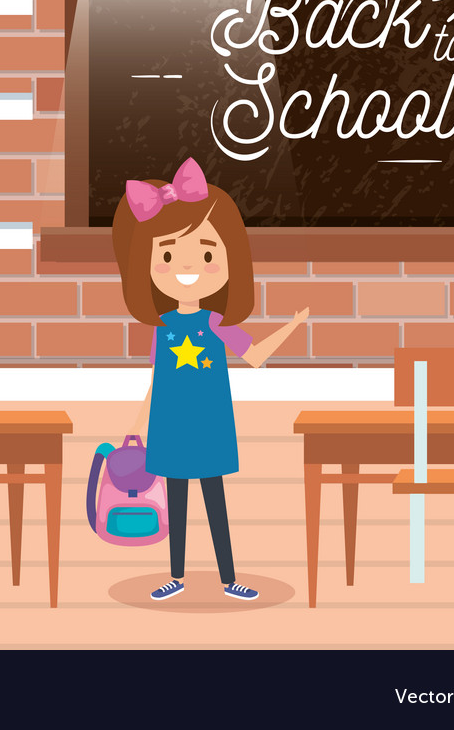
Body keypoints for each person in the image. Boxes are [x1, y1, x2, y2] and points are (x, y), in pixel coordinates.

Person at [112, 157, 308, 601]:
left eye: (205, 254)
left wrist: (292, 326)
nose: (186, 268)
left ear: (227, 260)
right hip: (168, 425)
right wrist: (136, 423)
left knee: (215, 503)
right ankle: (176, 576)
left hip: (210, 426)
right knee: (175, 504)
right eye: (166, 255)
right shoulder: (162, 327)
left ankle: (228, 577)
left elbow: (255, 356)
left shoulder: (218, 323)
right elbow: (154, 380)